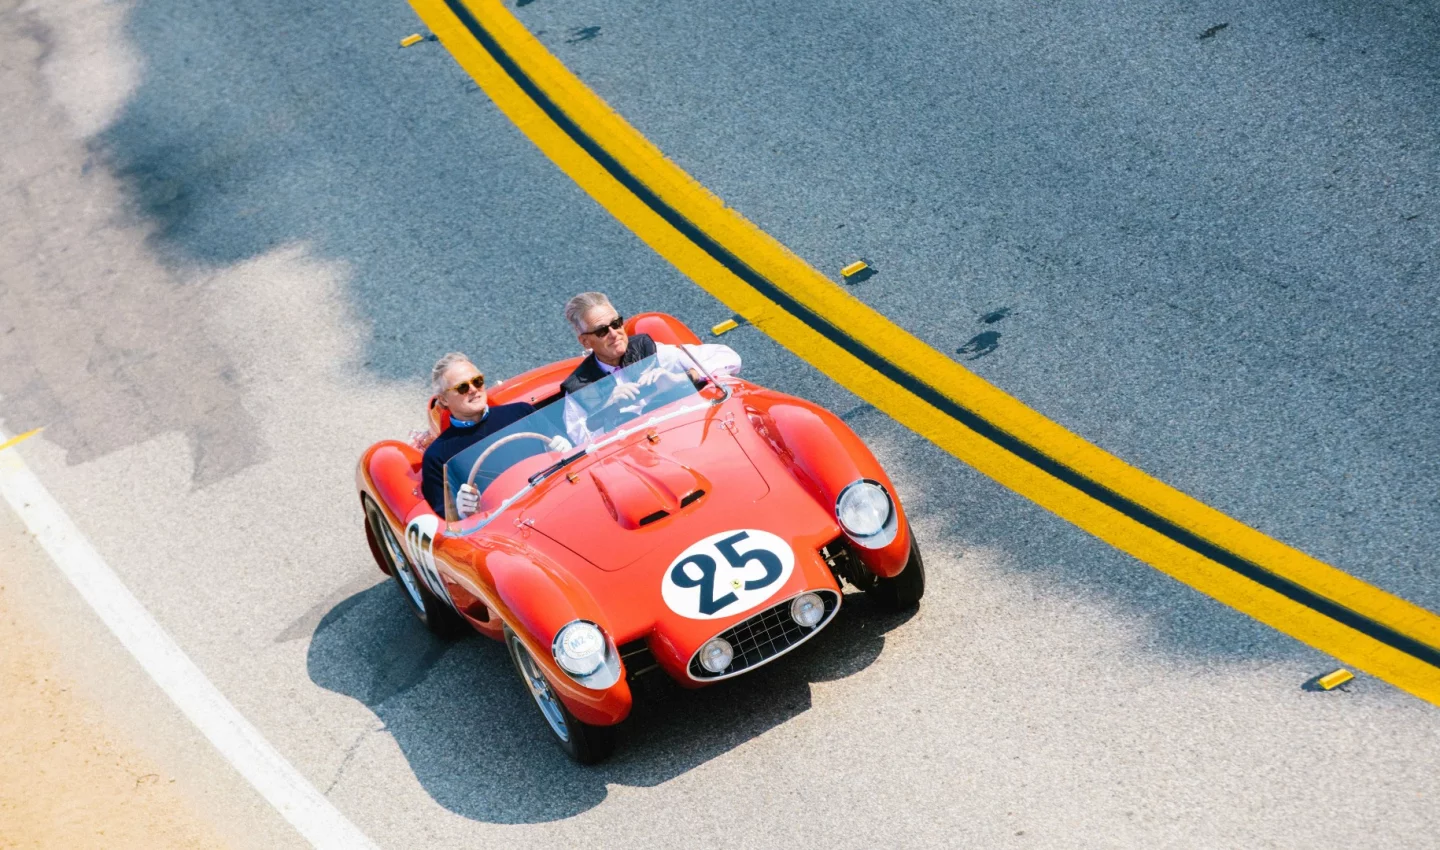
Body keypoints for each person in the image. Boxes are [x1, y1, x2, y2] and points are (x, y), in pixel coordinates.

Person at [559, 292, 742, 443]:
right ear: (585, 341)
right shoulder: (579, 388)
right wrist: (609, 407)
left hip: (678, 436)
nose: (614, 334)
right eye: (602, 331)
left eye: (616, 324)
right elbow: (582, 444)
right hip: (629, 456)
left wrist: (683, 378)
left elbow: (729, 358)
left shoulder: (650, 350)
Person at [420, 353, 533, 516]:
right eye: (462, 387)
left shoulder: (521, 412)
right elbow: (443, 521)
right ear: (443, 399)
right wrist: (460, 512)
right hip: (501, 526)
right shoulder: (437, 457)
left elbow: (570, 449)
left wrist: (564, 448)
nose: (473, 390)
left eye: (477, 381)